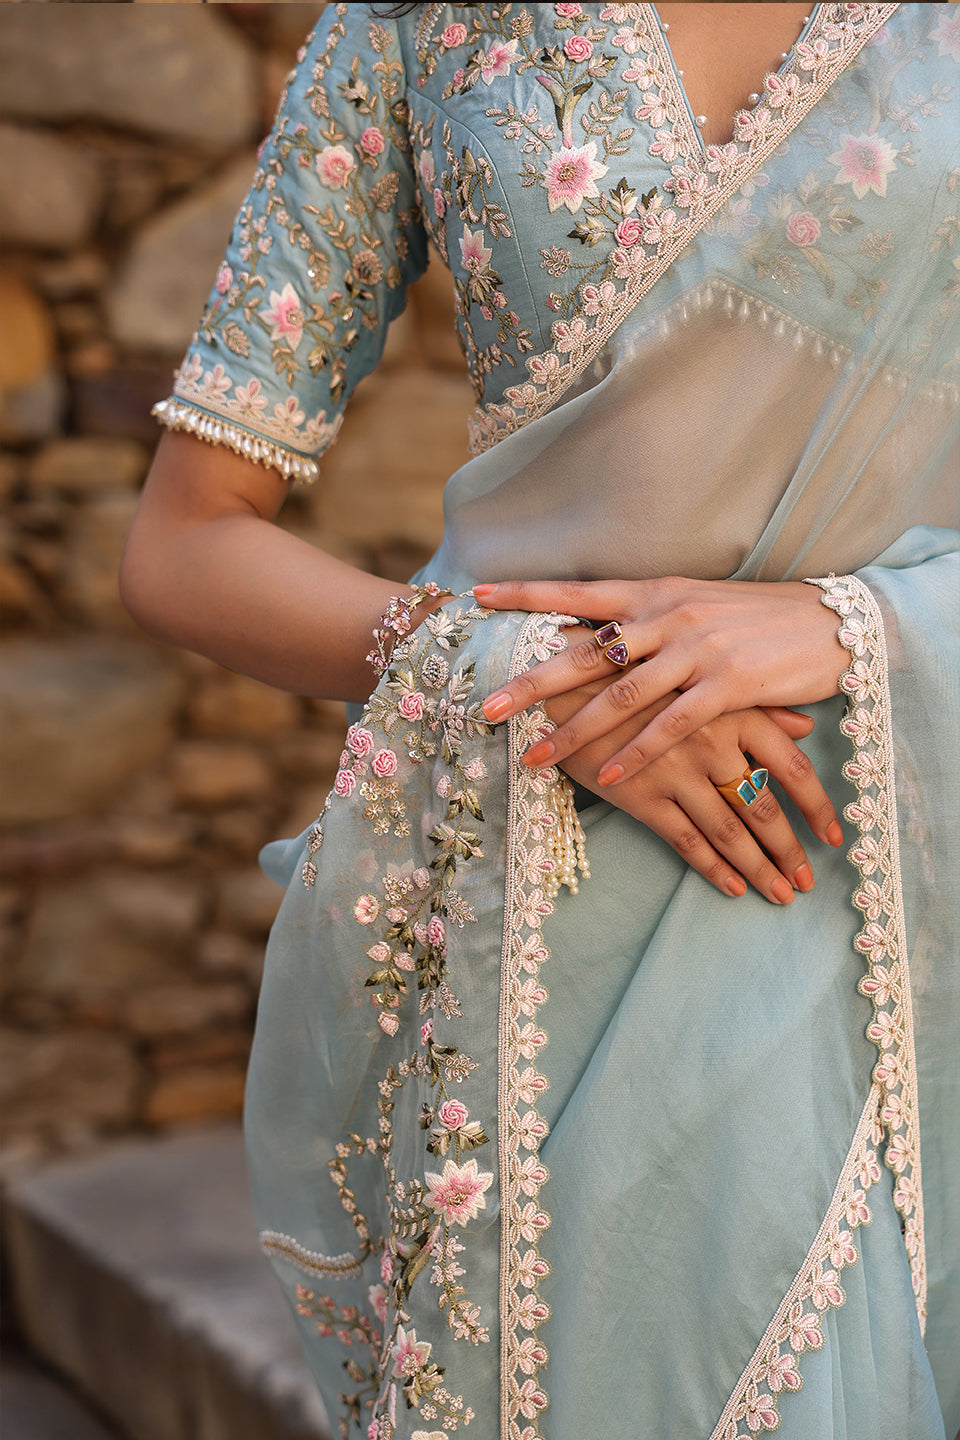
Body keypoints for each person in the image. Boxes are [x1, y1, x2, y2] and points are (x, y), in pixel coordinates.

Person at [120, 3, 959, 1437]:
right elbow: (184, 540)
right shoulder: (419, 23)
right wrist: (504, 657)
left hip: (873, 860)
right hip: (528, 885)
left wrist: (851, 627)